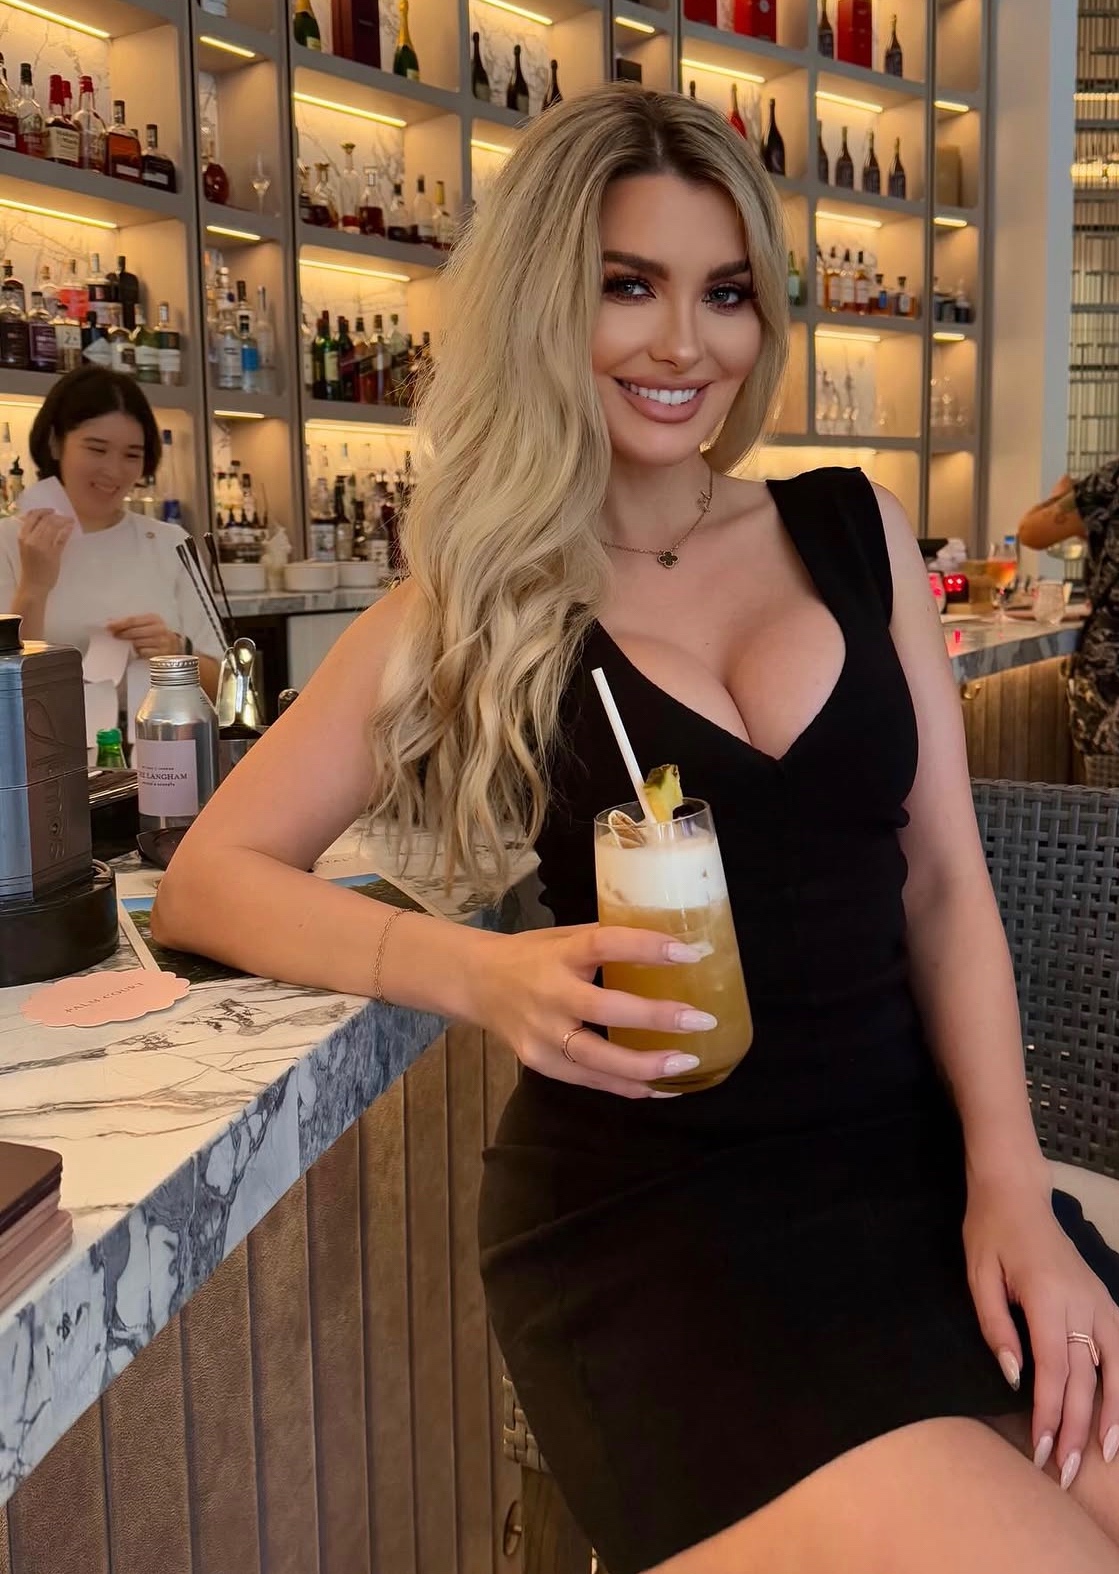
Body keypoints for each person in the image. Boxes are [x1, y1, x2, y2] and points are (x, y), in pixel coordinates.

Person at [152, 86, 1119, 1574]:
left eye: (724, 291)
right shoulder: (477, 596)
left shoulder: (853, 526)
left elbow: (941, 888)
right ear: (548, 302)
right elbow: (208, 877)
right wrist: (481, 974)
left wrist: (1010, 1179)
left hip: (915, 1169)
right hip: (658, 1224)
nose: (685, 343)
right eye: (628, 285)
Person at [0, 366, 222, 702]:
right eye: (97, 449)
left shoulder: (170, 543)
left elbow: (223, 687)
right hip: (46, 735)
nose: (114, 471)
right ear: (55, 443)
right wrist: (34, 587)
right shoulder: (9, 541)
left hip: (156, 732)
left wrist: (176, 650)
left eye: (131, 455)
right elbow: (6, 690)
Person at [1018, 468, 1119, 758]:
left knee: (1105, 780)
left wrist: (1062, 498)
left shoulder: (1111, 483)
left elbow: (1031, 531)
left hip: (1111, 672)